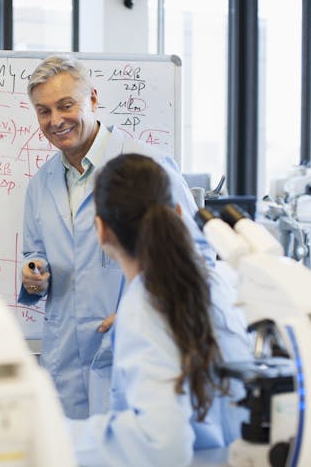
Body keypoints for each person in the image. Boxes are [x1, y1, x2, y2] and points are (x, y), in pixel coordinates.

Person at [19, 54, 215, 418]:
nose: (55, 121)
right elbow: (36, 252)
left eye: (66, 106)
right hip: (65, 359)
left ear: (92, 99)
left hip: (134, 347)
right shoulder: (40, 184)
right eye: (43, 112)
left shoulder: (146, 165)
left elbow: (197, 257)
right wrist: (34, 273)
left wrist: (144, 311)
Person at [69, 153, 249, 466]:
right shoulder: (216, 285)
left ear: (101, 230)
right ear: (179, 213)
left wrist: (59, 435)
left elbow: (161, 444)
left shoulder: (145, 308)